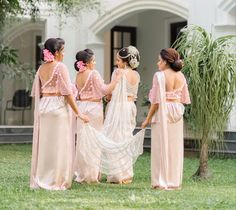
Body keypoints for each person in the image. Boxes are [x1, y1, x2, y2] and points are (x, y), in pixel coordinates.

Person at [30, 38, 89, 190]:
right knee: (60, 146)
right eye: (63, 51)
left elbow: (37, 92)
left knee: (46, 145)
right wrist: (79, 113)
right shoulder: (60, 67)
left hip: (44, 108)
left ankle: (43, 176)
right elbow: (67, 93)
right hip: (57, 109)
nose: (64, 54)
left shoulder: (41, 69)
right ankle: (56, 179)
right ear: (56, 53)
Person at [141, 48, 191, 190]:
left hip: (163, 112)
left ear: (165, 61)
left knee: (160, 147)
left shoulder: (160, 76)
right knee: (175, 148)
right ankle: (173, 181)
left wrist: (147, 119)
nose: (157, 63)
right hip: (177, 111)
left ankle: (160, 180)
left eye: (159, 60)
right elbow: (183, 98)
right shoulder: (181, 76)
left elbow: (156, 101)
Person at [73, 48, 122, 183]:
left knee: (83, 142)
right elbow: (104, 90)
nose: (95, 63)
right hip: (94, 109)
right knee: (94, 142)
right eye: (93, 61)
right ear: (88, 63)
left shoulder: (78, 75)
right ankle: (92, 175)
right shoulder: (93, 73)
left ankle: (83, 173)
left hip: (82, 107)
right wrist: (116, 80)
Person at [104, 45, 141, 184]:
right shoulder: (136, 75)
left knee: (115, 138)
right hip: (130, 107)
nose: (117, 63)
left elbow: (111, 91)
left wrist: (107, 96)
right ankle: (126, 173)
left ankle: (116, 174)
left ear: (125, 62)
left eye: (119, 60)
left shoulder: (118, 72)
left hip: (118, 107)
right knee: (126, 138)